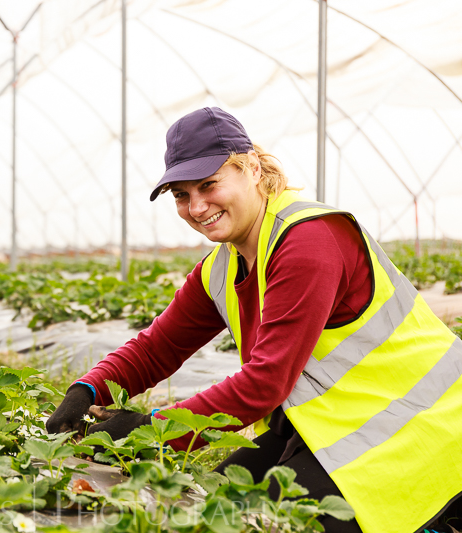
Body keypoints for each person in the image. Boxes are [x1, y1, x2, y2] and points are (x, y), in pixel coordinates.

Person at [45, 107, 462, 533]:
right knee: (216, 507)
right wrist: (87, 388)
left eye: (208, 185)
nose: (197, 206)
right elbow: (158, 347)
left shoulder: (309, 240)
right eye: (182, 196)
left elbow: (265, 383)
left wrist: (151, 429)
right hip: (331, 425)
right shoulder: (222, 266)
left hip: (421, 427)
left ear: (252, 168)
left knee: (269, 523)